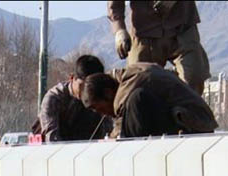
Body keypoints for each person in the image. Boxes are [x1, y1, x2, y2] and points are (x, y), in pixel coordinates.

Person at [79, 65, 218, 138]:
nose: (105, 114)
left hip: (194, 125)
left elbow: (120, 123)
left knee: (137, 100)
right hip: (192, 122)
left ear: (108, 93)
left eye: (101, 109)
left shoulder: (129, 87)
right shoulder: (128, 77)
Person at [108, 0, 210, 95]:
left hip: (182, 27)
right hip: (144, 31)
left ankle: (184, 113)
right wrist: (119, 30)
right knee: (137, 86)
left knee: (193, 79)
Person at [38, 54, 114, 142]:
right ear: (72, 78)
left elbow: (109, 131)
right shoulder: (54, 99)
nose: (86, 92)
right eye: (82, 86)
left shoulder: (100, 99)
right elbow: (52, 138)